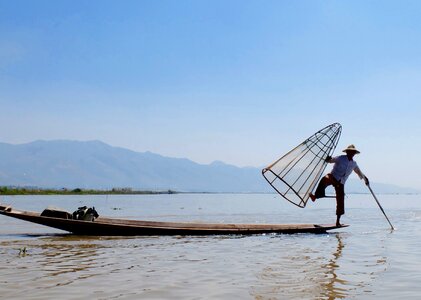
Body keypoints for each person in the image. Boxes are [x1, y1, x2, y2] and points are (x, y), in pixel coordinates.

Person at [309, 144, 369, 227]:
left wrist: (365, 179)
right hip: (333, 177)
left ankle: (338, 221)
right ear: (347, 152)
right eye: (349, 152)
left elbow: (359, 172)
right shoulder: (340, 158)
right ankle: (315, 196)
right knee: (324, 179)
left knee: (340, 201)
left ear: (354, 153)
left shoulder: (354, 164)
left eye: (352, 152)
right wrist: (328, 159)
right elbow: (330, 160)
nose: (351, 153)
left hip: (341, 183)